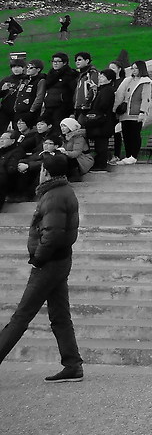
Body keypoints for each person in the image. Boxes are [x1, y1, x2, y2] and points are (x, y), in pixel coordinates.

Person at [0, 152, 83, 383]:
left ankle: (73, 364)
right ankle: (72, 364)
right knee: (59, 316)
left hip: (49, 263)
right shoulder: (61, 191)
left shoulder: (54, 196)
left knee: (21, 316)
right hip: (60, 260)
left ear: (45, 172)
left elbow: (53, 234)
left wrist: (38, 258)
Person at [115, 61, 151, 165]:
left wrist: (142, 112)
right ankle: (128, 155)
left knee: (134, 134)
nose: (133, 70)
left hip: (136, 113)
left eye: (136, 68)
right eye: (132, 68)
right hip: (125, 112)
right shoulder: (128, 80)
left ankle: (134, 156)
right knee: (126, 135)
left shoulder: (145, 82)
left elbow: (145, 98)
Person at [83, 69, 117, 172]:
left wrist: (94, 111)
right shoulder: (101, 90)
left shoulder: (107, 90)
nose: (100, 79)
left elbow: (103, 105)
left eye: (103, 77)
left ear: (110, 79)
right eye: (100, 76)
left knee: (101, 146)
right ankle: (100, 164)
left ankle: (101, 165)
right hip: (100, 123)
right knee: (99, 145)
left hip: (103, 123)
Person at [39, 54, 76, 129]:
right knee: (42, 123)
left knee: (57, 126)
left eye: (58, 61)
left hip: (62, 106)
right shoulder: (50, 74)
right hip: (49, 104)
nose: (55, 63)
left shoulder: (70, 75)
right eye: (53, 61)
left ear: (64, 63)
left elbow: (73, 91)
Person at [72, 53, 99, 119]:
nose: (77, 62)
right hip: (78, 107)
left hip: (86, 108)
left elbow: (93, 89)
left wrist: (87, 104)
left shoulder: (92, 73)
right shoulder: (80, 75)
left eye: (79, 60)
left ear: (87, 61)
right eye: (76, 60)